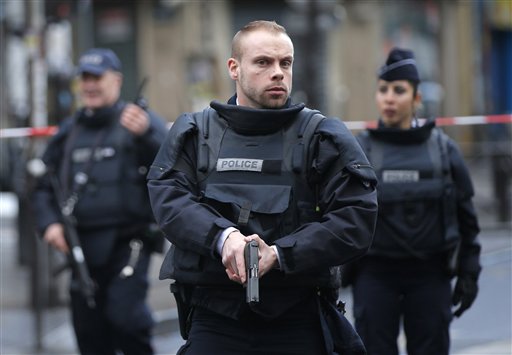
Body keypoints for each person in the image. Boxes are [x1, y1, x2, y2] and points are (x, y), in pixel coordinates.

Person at [147, 20, 378, 355]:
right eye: (263, 62)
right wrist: (222, 239)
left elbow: (356, 219)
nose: (278, 73)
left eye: (285, 63)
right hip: (215, 318)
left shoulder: (321, 137)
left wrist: (281, 254)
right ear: (234, 68)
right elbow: (169, 200)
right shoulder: (195, 134)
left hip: (297, 317)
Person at [344, 48, 482, 355]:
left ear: (417, 98)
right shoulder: (359, 151)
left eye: (399, 90)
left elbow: (466, 218)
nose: (389, 98)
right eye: (383, 90)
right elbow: (343, 216)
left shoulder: (443, 150)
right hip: (375, 274)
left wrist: (469, 272)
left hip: (429, 275)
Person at [33, 48, 168, 355]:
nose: (90, 85)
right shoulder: (69, 131)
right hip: (81, 248)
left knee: (127, 319)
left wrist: (147, 133)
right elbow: (42, 185)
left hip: (128, 243)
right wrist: (50, 224)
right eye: (84, 78)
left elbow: (172, 164)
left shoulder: (139, 121)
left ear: (117, 80)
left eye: (97, 77)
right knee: (88, 330)